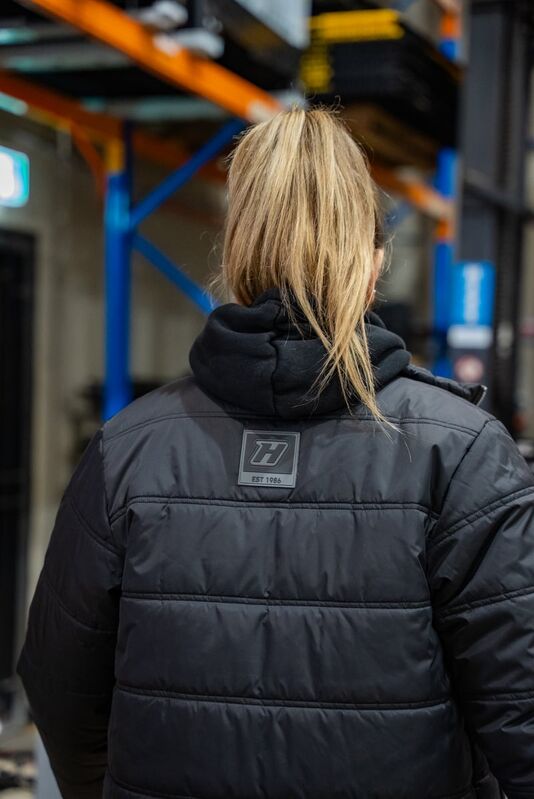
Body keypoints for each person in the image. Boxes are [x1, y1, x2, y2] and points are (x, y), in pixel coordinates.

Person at [18, 108, 534, 799]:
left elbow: (59, 686)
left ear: (237, 254)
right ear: (373, 262)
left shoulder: (127, 448)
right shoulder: (463, 453)